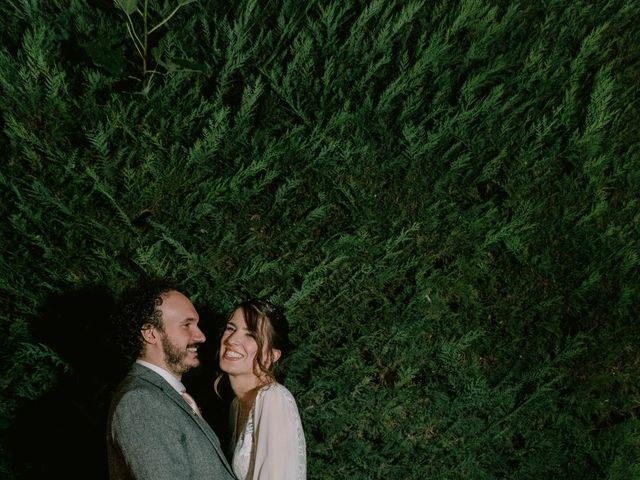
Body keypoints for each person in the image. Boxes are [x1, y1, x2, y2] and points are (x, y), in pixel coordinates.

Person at [106, 279, 236, 480]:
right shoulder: (140, 401)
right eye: (187, 325)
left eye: (197, 325)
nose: (201, 336)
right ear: (151, 334)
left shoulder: (166, 394)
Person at [217, 298, 306, 480]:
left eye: (250, 334)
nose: (232, 340)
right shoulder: (237, 405)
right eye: (230, 328)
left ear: (272, 356)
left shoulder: (273, 398)